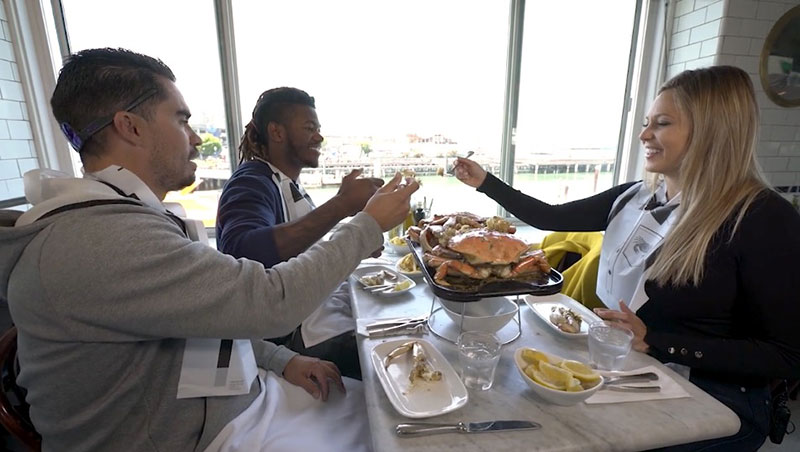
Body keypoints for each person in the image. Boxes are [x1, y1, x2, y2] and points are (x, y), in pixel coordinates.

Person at [0, 48, 418, 452]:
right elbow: (268, 299)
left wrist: (277, 358)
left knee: (391, 412)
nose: (197, 138)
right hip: (201, 435)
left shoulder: (123, 219)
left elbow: (194, 316)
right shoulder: (98, 240)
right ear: (131, 126)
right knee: (402, 428)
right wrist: (365, 223)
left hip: (237, 399)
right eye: (181, 120)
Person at [453, 65, 800, 451]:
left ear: (711, 132)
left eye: (662, 123)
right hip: (633, 372)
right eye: (647, 122)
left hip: (718, 400)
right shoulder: (637, 195)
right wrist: (486, 182)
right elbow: (552, 216)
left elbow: (787, 354)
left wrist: (658, 342)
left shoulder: (763, 218)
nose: (644, 135)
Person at [216, 87, 379, 379]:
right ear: (276, 132)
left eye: (318, 129)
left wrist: (356, 239)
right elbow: (241, 251)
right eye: (309, 128)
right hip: (295, 339)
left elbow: (302, 245)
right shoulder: (251, 181)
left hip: (318, 313)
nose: (319, 136)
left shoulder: (285, 182)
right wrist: (342, 204)